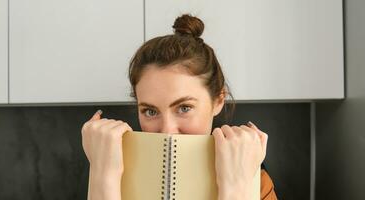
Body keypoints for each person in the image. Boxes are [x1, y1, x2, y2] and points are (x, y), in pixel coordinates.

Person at [81, 14, 278, 200]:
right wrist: (103, 177)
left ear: (218, 101)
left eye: (184, 108)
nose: (167, 131)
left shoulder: (256, 182)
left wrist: (236, 188)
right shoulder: (110, 170)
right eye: (150, 111)